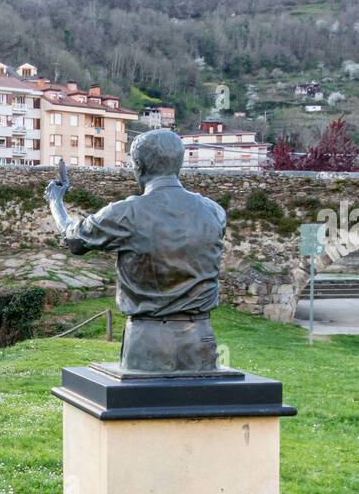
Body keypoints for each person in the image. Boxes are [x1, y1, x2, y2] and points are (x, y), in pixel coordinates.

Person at [44, 130, 225, 374]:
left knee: (141, 408)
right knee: (202, 407)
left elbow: (74, 240)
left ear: (138, 166)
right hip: (201, 338)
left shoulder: (125, 213)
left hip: (147, 341)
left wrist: (56, 203)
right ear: (179, 164)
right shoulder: (214, 211)